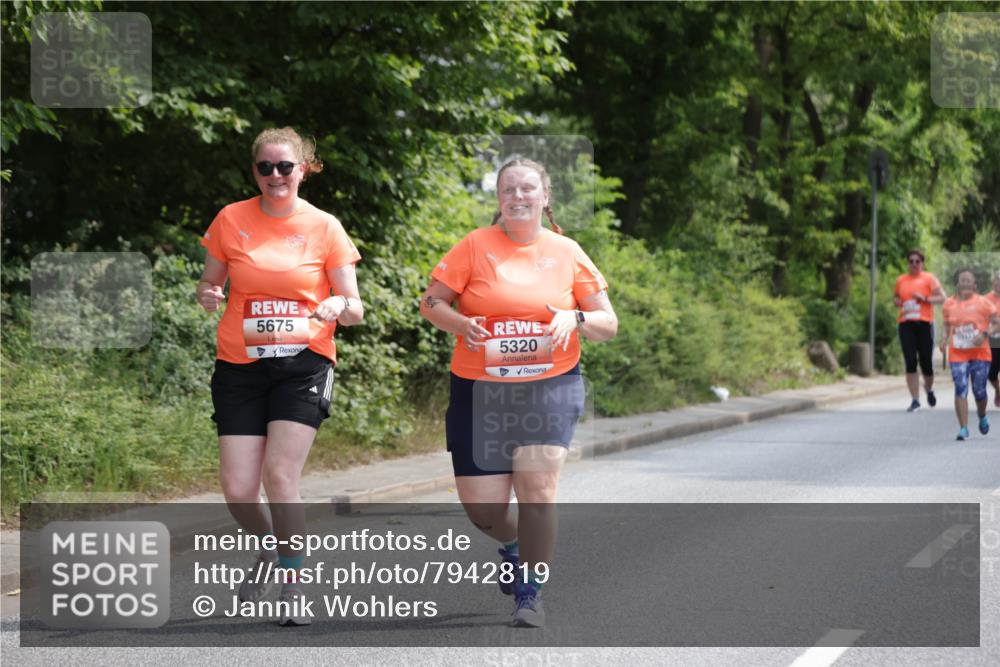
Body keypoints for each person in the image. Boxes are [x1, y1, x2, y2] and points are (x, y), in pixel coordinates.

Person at [419, 158, 618, 628]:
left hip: (549, 386)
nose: (518, 196)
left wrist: (577, 318)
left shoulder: (567, 251)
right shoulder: (474, 246)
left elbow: (608, 324)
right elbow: (432, 302)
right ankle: (511, 545)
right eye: (509, 189)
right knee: (484, 509)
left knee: (538, 489)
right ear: (499, 199)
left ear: (545, 196)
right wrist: (459, 322)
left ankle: (530, 592)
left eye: (528, 188)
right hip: (479, 389)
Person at [196, 127, 363, 625]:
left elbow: (354, 307)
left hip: (303, 364)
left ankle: (293, 583)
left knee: (279, 476)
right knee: (238, 489)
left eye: (284, 167)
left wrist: (338, 303)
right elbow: (210, 281)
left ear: (303, 169)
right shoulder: (231, 219)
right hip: (240, 366)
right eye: (264, 168)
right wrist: (207, 295)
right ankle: (273, 546)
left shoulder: (325, 226)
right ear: (255, 172)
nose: (274, 176)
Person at [940, 269, 999, 441]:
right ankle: (963, 428)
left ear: (974, 285)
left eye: (968, 280)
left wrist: (985, 334)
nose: (965, 283)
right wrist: (944, 339)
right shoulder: (948, 304)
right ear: (957, 284)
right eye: (962, 280)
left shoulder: (984, 303)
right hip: (958, 353)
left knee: (979, 390)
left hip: (980, 353)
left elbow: (997, 324)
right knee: (960, 387)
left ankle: (982, 415)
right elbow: (946, 324)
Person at [893, 249, 945, 412]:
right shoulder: (901, 280)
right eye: (911, 261)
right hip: (906, 323)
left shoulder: (929, 279)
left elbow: (943, 297)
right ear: (908, 263)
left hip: (925, 324)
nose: (914, 264)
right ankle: (915, 400)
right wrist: (898, 302)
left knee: (926, 363)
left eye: (917, 261)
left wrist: (925, 299)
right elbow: (896, 296)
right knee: (910, 361)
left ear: (922, 263)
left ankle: (929, 389)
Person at [984, 271, 1000, 407]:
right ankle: (998, 391)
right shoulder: (985, 299)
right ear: (993, 282)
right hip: (992, 339)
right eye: (997, 280)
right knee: (992, 373)